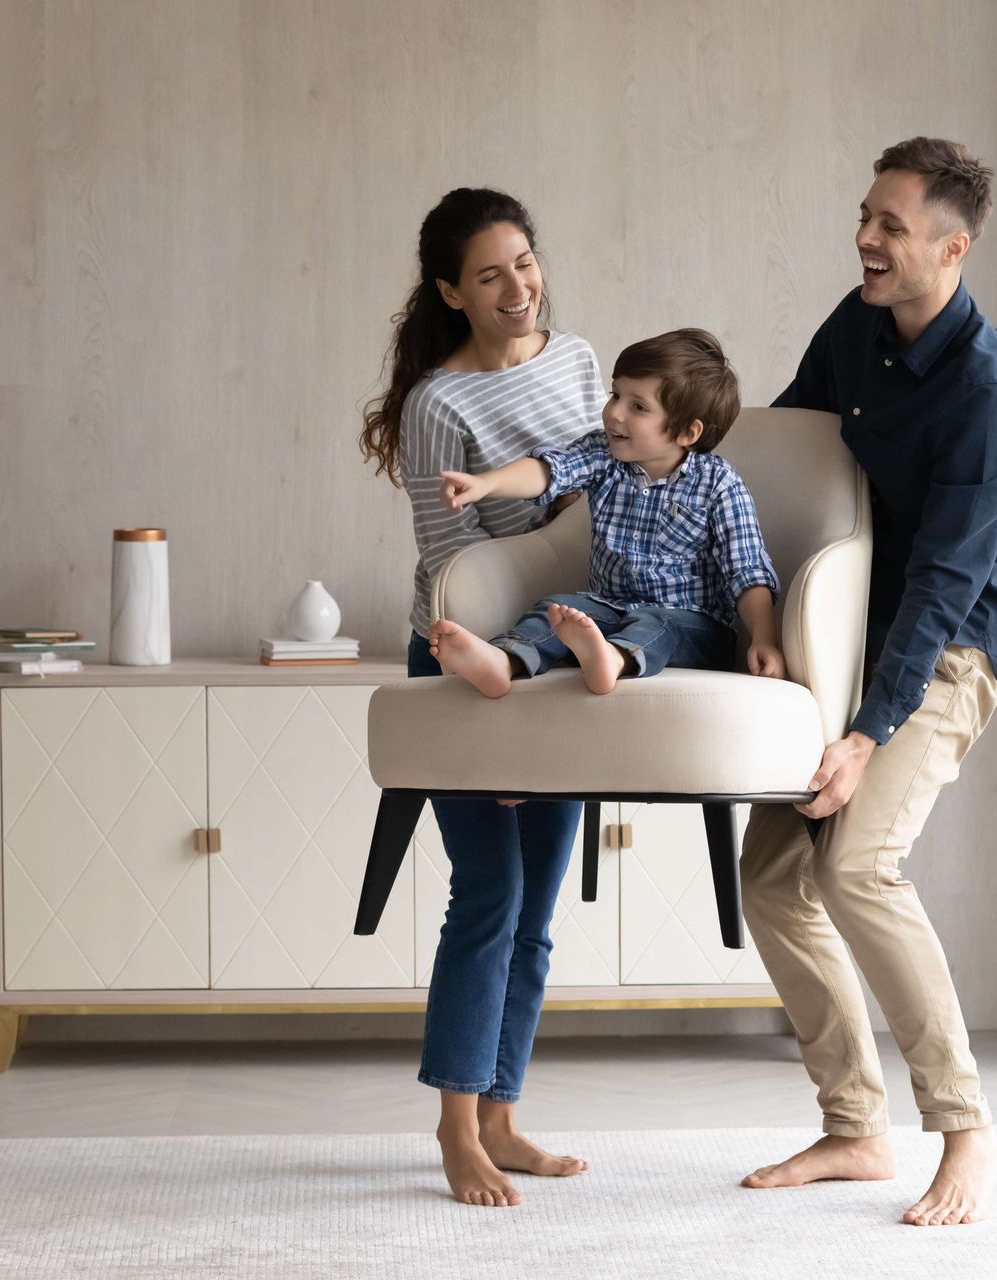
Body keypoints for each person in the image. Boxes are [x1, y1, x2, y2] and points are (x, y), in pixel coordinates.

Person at [737, 136, 997, 1228]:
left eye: (893, 226)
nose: (866, 238)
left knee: (859, 861)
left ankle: (966, 1126)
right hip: (841, 635)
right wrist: (755, 614)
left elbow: (943, 592)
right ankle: (854, 1125)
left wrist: (866, 731)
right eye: (865, 216)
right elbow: (778, 452)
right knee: (772, 872)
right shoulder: (857, 327)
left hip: (949, 650)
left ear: (952, 247)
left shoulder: (993, 399)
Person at [359, 187, 599, 1208]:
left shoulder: (582, 361)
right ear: (452, 291)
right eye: (490, 273)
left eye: (526, 261)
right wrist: (495, 707)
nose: (517, 287)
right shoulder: (437, 407)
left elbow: (609, 489)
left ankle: (503, 1116)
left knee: (536, 907)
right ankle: (457, 1126)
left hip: (562, 655)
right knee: (488, 895)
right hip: (467, 662)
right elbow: (455, 566)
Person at [429, 328, 784, 697]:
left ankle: (612, 660)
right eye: (615, 394)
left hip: (693, 627)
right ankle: (503, 661)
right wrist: (487, 483)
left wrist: (764, 638)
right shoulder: (604, 457)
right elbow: (551, 470)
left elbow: (747, 571)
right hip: (610, 611)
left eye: (637, 406)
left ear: (686, 432)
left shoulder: (719, 485)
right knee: (557, 608)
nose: (613, 412)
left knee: (658, 621)